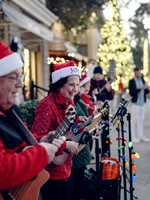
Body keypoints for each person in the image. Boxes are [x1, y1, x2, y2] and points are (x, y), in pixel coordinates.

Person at [0, 42, 65, 197]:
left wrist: (40, 141)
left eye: (20, 77)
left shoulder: (9, 111)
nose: (21, 84)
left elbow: (15, 145)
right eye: (13, 78)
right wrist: (41, 153)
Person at [31, 61, 80, 200]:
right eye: (71, 84)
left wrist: (80, 125)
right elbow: (37, 138)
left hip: (66, 167)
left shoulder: (69, 101)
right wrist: (66, 145)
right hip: (51, 173)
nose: (75, 89)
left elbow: (68, 129)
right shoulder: (47, 105)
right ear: (59, 85)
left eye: (77, 84)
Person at [129, 67, 150, 143]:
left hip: (142, 103)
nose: (138, 74)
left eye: (139, 73)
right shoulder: (132, 81)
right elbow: (131, 92)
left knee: (141, 120)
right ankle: (133, 137)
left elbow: (146, 92)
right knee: (133, 120)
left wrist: (147, 88)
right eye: (136, 73)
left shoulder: (142, 80)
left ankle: (141, 136)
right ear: (134, 73)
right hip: (136, 103)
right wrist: (140, 88)